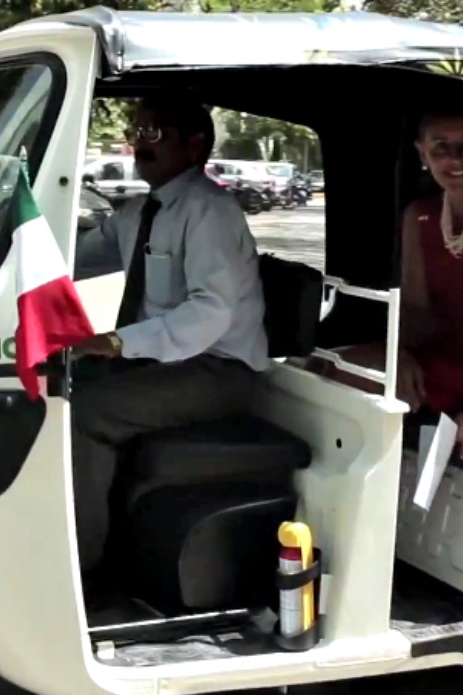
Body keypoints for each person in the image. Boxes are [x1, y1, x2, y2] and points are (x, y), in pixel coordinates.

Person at [69, 96, 270, 580]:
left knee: (87, 413)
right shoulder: (138, 212)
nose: (140, 144)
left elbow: (210, 313)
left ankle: (83, 569)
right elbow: (72, 259)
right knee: (57, 380)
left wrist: (116, 343)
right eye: (137, 133)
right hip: (166, 361)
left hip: (219, 369)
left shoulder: (210, 212)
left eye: (154, 134)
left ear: (194, 144)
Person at [308, 106, 463, 462]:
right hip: (440, 350)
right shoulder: (418, 215)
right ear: (422, 153)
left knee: (352, 379)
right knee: (321, 365)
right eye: (441, 148)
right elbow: (416, 312)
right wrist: (395, 355)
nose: (456, 159)